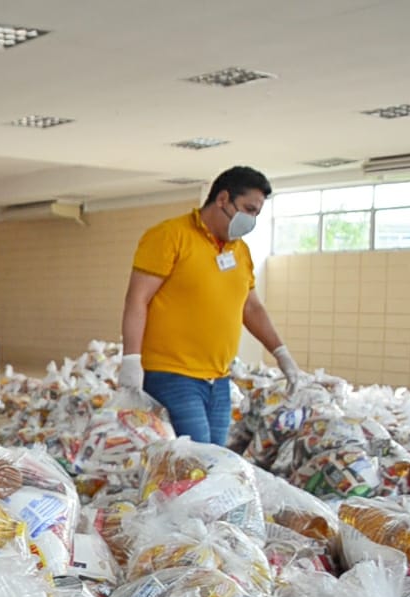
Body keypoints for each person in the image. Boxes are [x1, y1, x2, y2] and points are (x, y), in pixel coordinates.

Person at [120, 166, 300, 446]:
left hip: (218, 379)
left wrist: (281, 353)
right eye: (248, 209)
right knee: (195, 460)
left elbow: (251, 308)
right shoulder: (170, 235)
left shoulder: (239, 250)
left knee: (213, 462)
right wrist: (131, 359)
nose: (251, 220)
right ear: (222, 199)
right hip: (172, 374)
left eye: (256, 213)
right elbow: (137, 298)